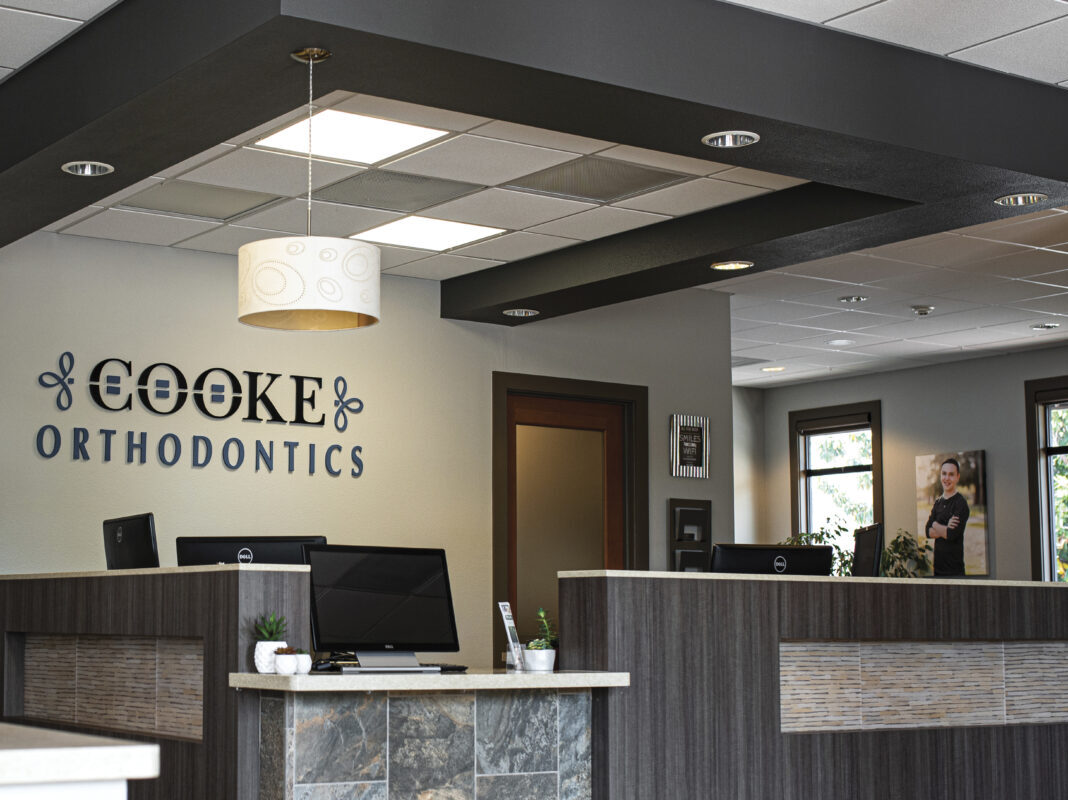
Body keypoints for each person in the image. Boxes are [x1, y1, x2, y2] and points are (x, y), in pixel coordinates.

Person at [924, 457, 969, 577]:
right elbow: (927, 531)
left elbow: (951, 534)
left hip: (955, 572)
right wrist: (942, 528)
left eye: (951, 474)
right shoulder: (938, 502)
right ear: (940, 476)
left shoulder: (961, 503)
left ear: (957, 477)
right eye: (944, 474)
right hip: (938, 570)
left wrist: (934, 524)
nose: (946, 478)